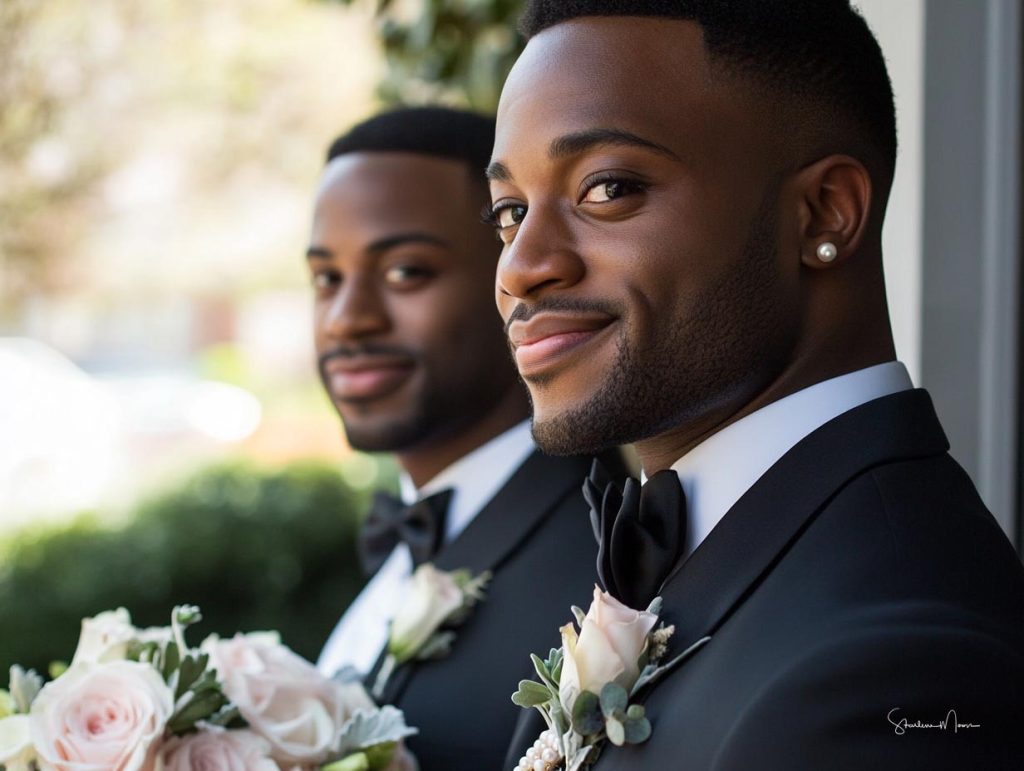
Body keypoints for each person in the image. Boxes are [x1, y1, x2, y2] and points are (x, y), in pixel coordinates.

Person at [489, 2, 1024, 768]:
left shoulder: (903, 669)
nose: (519, 265)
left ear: (822, 213)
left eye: (607, 188)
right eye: (509, 210)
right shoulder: (691, 560)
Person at [308, 106, 620, 770]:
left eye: (405, 272)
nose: (346, 319)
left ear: (512, 276)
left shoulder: (600, 577)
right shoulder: (407, 542)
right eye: (326, 278)